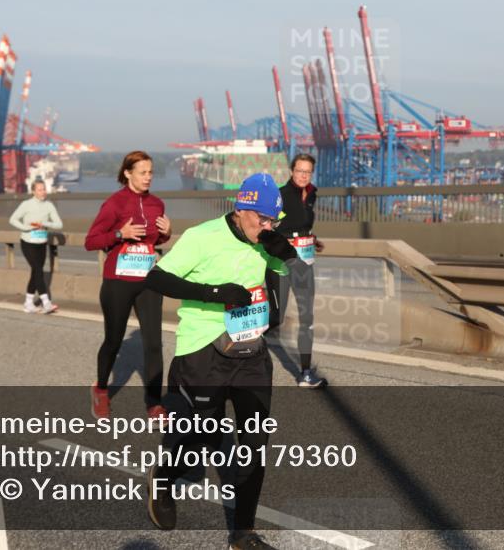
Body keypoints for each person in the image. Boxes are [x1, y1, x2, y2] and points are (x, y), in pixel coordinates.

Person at [143, 172, 297, 550]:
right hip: (202, 351)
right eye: (261, 219)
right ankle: (163, 482)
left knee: (254, 445)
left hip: (250, 352)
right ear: (241, 208)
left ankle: (243, 534)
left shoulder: (266, 240)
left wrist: (285, 249)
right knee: (195, 437)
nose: (266, 227)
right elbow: (157, 279)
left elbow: (291, 273)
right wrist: (215, 294)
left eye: (273, 221)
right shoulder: (202, 236)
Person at [84, 150, 171, 421]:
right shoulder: (115, 203)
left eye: (151, 172)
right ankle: (100, 390)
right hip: (118, 281)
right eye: (143, 172)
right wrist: (121, 233)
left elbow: (155, 241)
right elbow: (91, 241)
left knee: (154, 343)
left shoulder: (157, 203)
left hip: (148, 280)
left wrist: (167, 233)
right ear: (127, 173)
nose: (148, 177)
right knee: (113, 340)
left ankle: (155, 404)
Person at [265, 153, 327, 388]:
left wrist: (311, 239)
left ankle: (305, 373)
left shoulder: (311, 194)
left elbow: (301, 225)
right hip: (280, 263)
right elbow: (268, 229)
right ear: (292, 171)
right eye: (300, 171)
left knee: (307, 317)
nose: (303, 175)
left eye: (308, 172)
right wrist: (285, 245)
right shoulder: (280, 196)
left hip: (305, 262)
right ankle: (244, 343)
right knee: (276, 317)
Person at [8, 179, 63, 314]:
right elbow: (12, 219)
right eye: (39, 189)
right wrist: (26, 228)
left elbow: (59, 224)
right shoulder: (26, 204)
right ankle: (46, 302)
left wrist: (44, 223)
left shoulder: (49, 205)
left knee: (35, 272)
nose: (43, 192)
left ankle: (28, 303)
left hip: (42, 243)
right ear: (33, 191)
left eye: (44, 189)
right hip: (28, 242)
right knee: (38, 270)